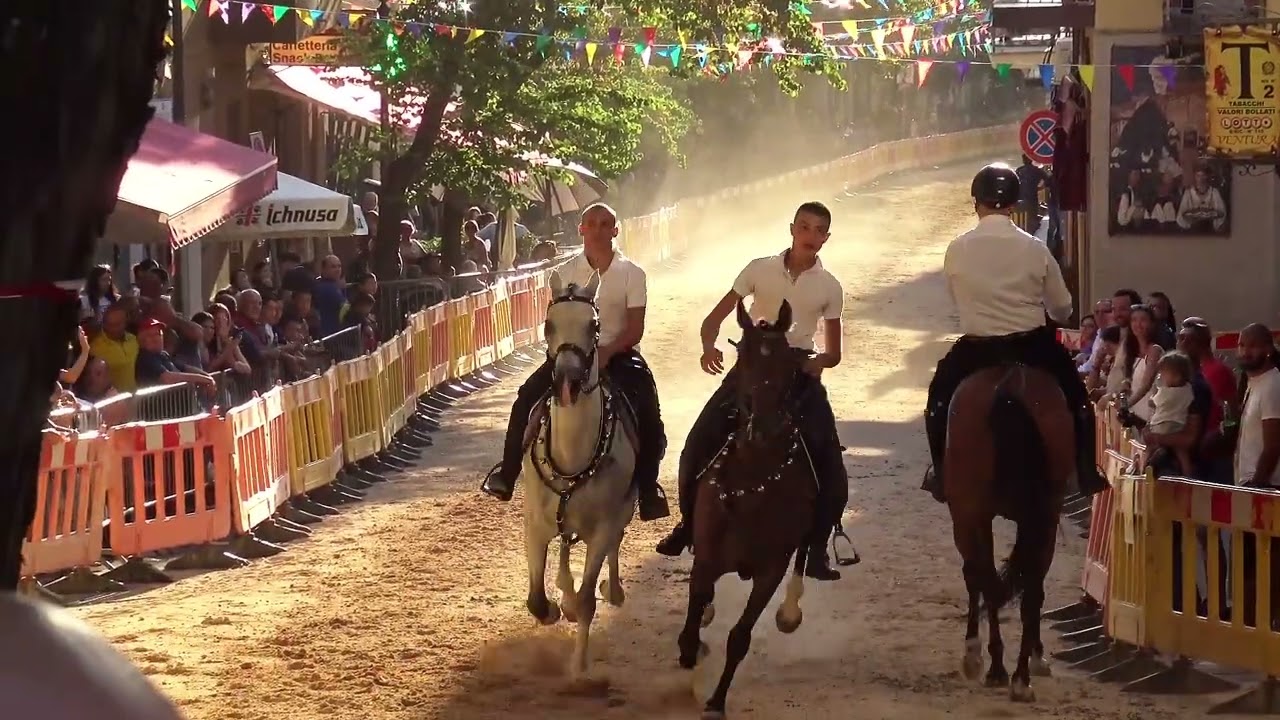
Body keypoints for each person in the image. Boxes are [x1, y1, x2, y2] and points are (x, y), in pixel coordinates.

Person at [654, 201, 849, 581]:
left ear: (826, 238)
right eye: (805, 227)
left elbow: (834, 352)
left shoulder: (830, 286)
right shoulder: (758, 269)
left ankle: (818, 548)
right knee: (697, 443)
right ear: (792, 228)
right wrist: (709, 346)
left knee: (830, 463)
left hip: (798, 374)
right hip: (752, 368)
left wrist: (819, 362)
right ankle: (687, 524)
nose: (811, 236)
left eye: (818, 231)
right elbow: (713, 319)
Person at [921, 162, 1107, 503]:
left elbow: (955, 298)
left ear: (976, 201)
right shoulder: (1035, 248)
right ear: (1013, 203)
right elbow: (1062, 307)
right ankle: (1086, 471)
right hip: (1031, 346)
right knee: (1077, 399)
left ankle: (940, 472)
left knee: (938, 400)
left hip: (977, 349)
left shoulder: (957, 248)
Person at [480, 203, 670, 522]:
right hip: (570, 355)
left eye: (605, 223)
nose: (597, 230)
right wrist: (562, 354)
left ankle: (648, 489)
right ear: (581, 229)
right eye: (591, 224)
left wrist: (607, 352)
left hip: (618, 355)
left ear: (615, 230)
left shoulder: (632, 273)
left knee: (649, 410)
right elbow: (554, 323)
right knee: (525, 397)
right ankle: (508, 473)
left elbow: (635, 327)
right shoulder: (564, 272)